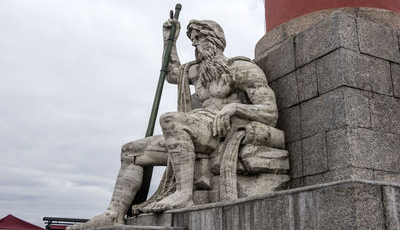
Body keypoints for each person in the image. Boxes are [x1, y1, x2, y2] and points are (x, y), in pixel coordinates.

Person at [68, 19, 278, 229]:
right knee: (130, 151)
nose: (195, 43)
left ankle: (184, 194)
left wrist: (234, 108)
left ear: (215, 38)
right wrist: (170, 39)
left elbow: (270, 112)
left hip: (222, 131)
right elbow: (171, 73)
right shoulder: (197, 72)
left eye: (200, 37)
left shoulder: (241, 69)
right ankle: (114, 212)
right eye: (192, 39)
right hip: (198, 129)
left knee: (171, 120)